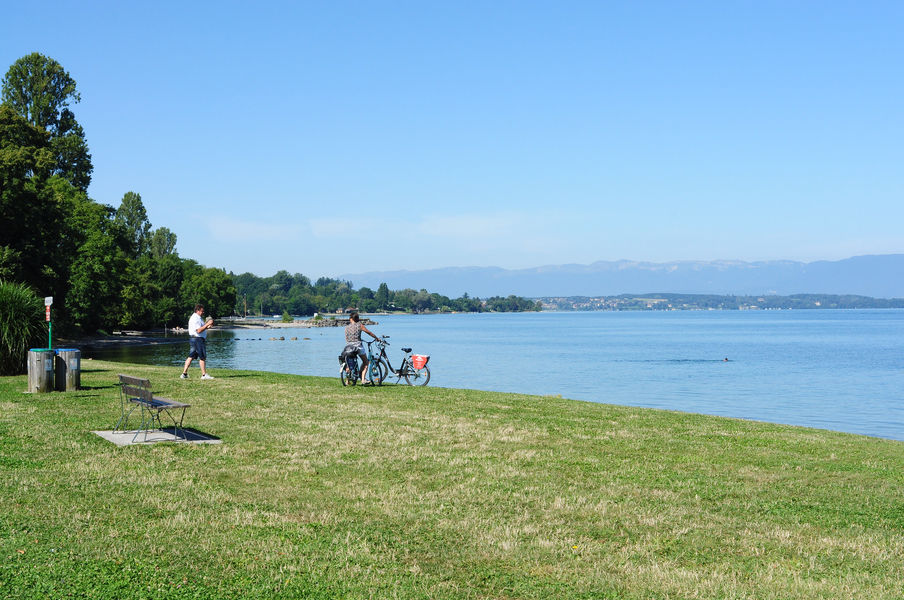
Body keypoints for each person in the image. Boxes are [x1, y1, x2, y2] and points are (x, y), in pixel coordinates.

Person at [180, 304, 215, 379]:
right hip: (197, 339)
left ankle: (184, 374)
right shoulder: (195, 318)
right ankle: (204, 375)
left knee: (191, 356)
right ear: (197, 310)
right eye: (202, 311)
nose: (203, 312)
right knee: (202, 357)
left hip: (194, 339)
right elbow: (198, 330)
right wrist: (207, 324)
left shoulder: (198, 318)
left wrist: (208, 326)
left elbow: (201, 328)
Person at [345, 311, 378, 384]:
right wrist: (376, 338)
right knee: (366, 361)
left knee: (349, 362)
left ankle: (347, 381)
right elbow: (369, 332)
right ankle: (363, 379)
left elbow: (347, 338)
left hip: (348, 346)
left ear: (351, 318)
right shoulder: (359, 325)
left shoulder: (347, 327)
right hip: (358, 346)